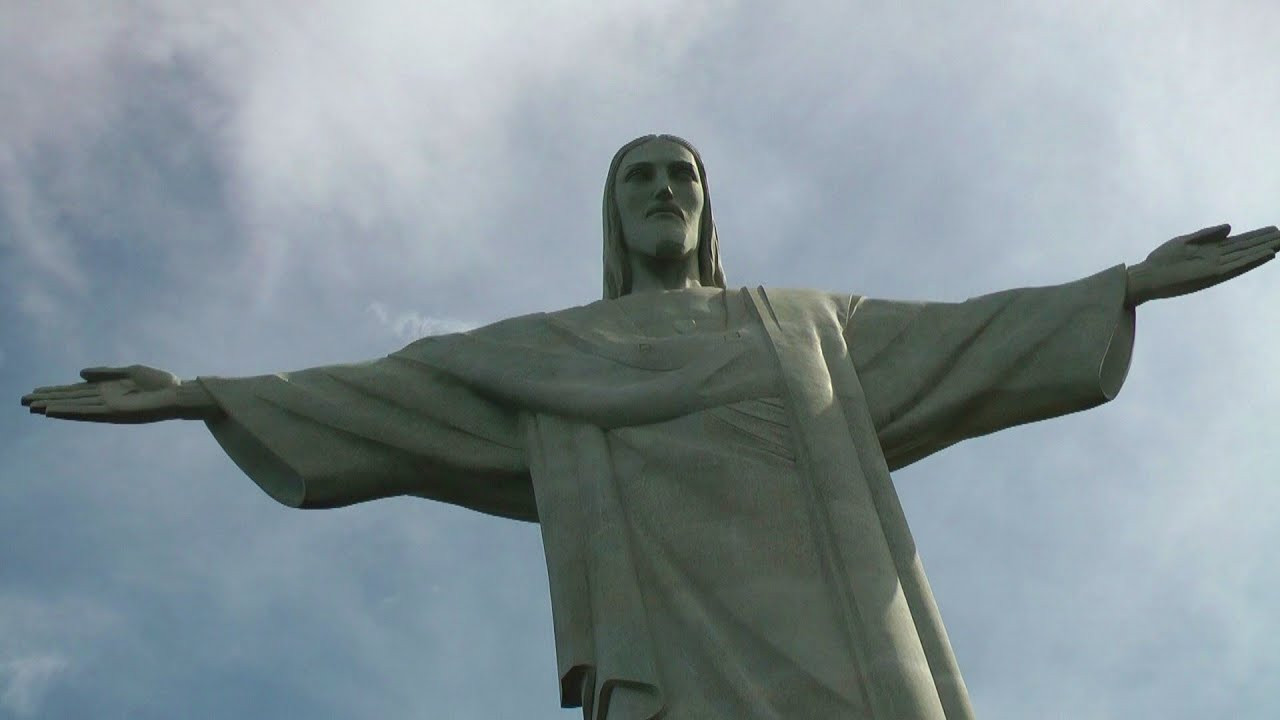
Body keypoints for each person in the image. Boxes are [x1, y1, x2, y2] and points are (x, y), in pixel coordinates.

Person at [22, 134, 1280, 720]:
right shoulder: (536, 356)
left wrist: (1117, 286)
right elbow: (377, 397)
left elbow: (967, 336)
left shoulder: (803, 326)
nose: (664, 193)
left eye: (682, 176)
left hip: (843, 640)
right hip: (665, 656)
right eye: (640, 177)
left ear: (708, 211)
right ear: (610, 215)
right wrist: (203, 393)